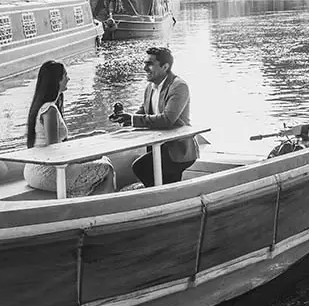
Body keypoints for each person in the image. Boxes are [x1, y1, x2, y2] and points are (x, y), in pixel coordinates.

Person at [110, 46, 199, 187]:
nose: (145, 68)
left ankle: (160, 197)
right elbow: (144, 111)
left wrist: (133, 119)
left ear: (165, 67)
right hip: (159, 147)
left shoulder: (179, 86)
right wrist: (125, 118)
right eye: (145, 63)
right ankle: (165, 197)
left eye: (150, 64)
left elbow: (167, 120)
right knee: (160, 177)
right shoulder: (150, 87)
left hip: (179, 151)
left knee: (141, 167)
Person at [24, 61, 116, 196]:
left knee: (103, 160)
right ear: (57, 80)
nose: (68, 79)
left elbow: (56, 144)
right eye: (65, 75)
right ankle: (105, 207)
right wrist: (87, 155)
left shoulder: (40, 106)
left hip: (31, 169)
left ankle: (90, 203)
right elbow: (56, 150)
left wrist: (87, 138)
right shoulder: (50, 110)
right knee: (107, 168)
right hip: (46, 172)